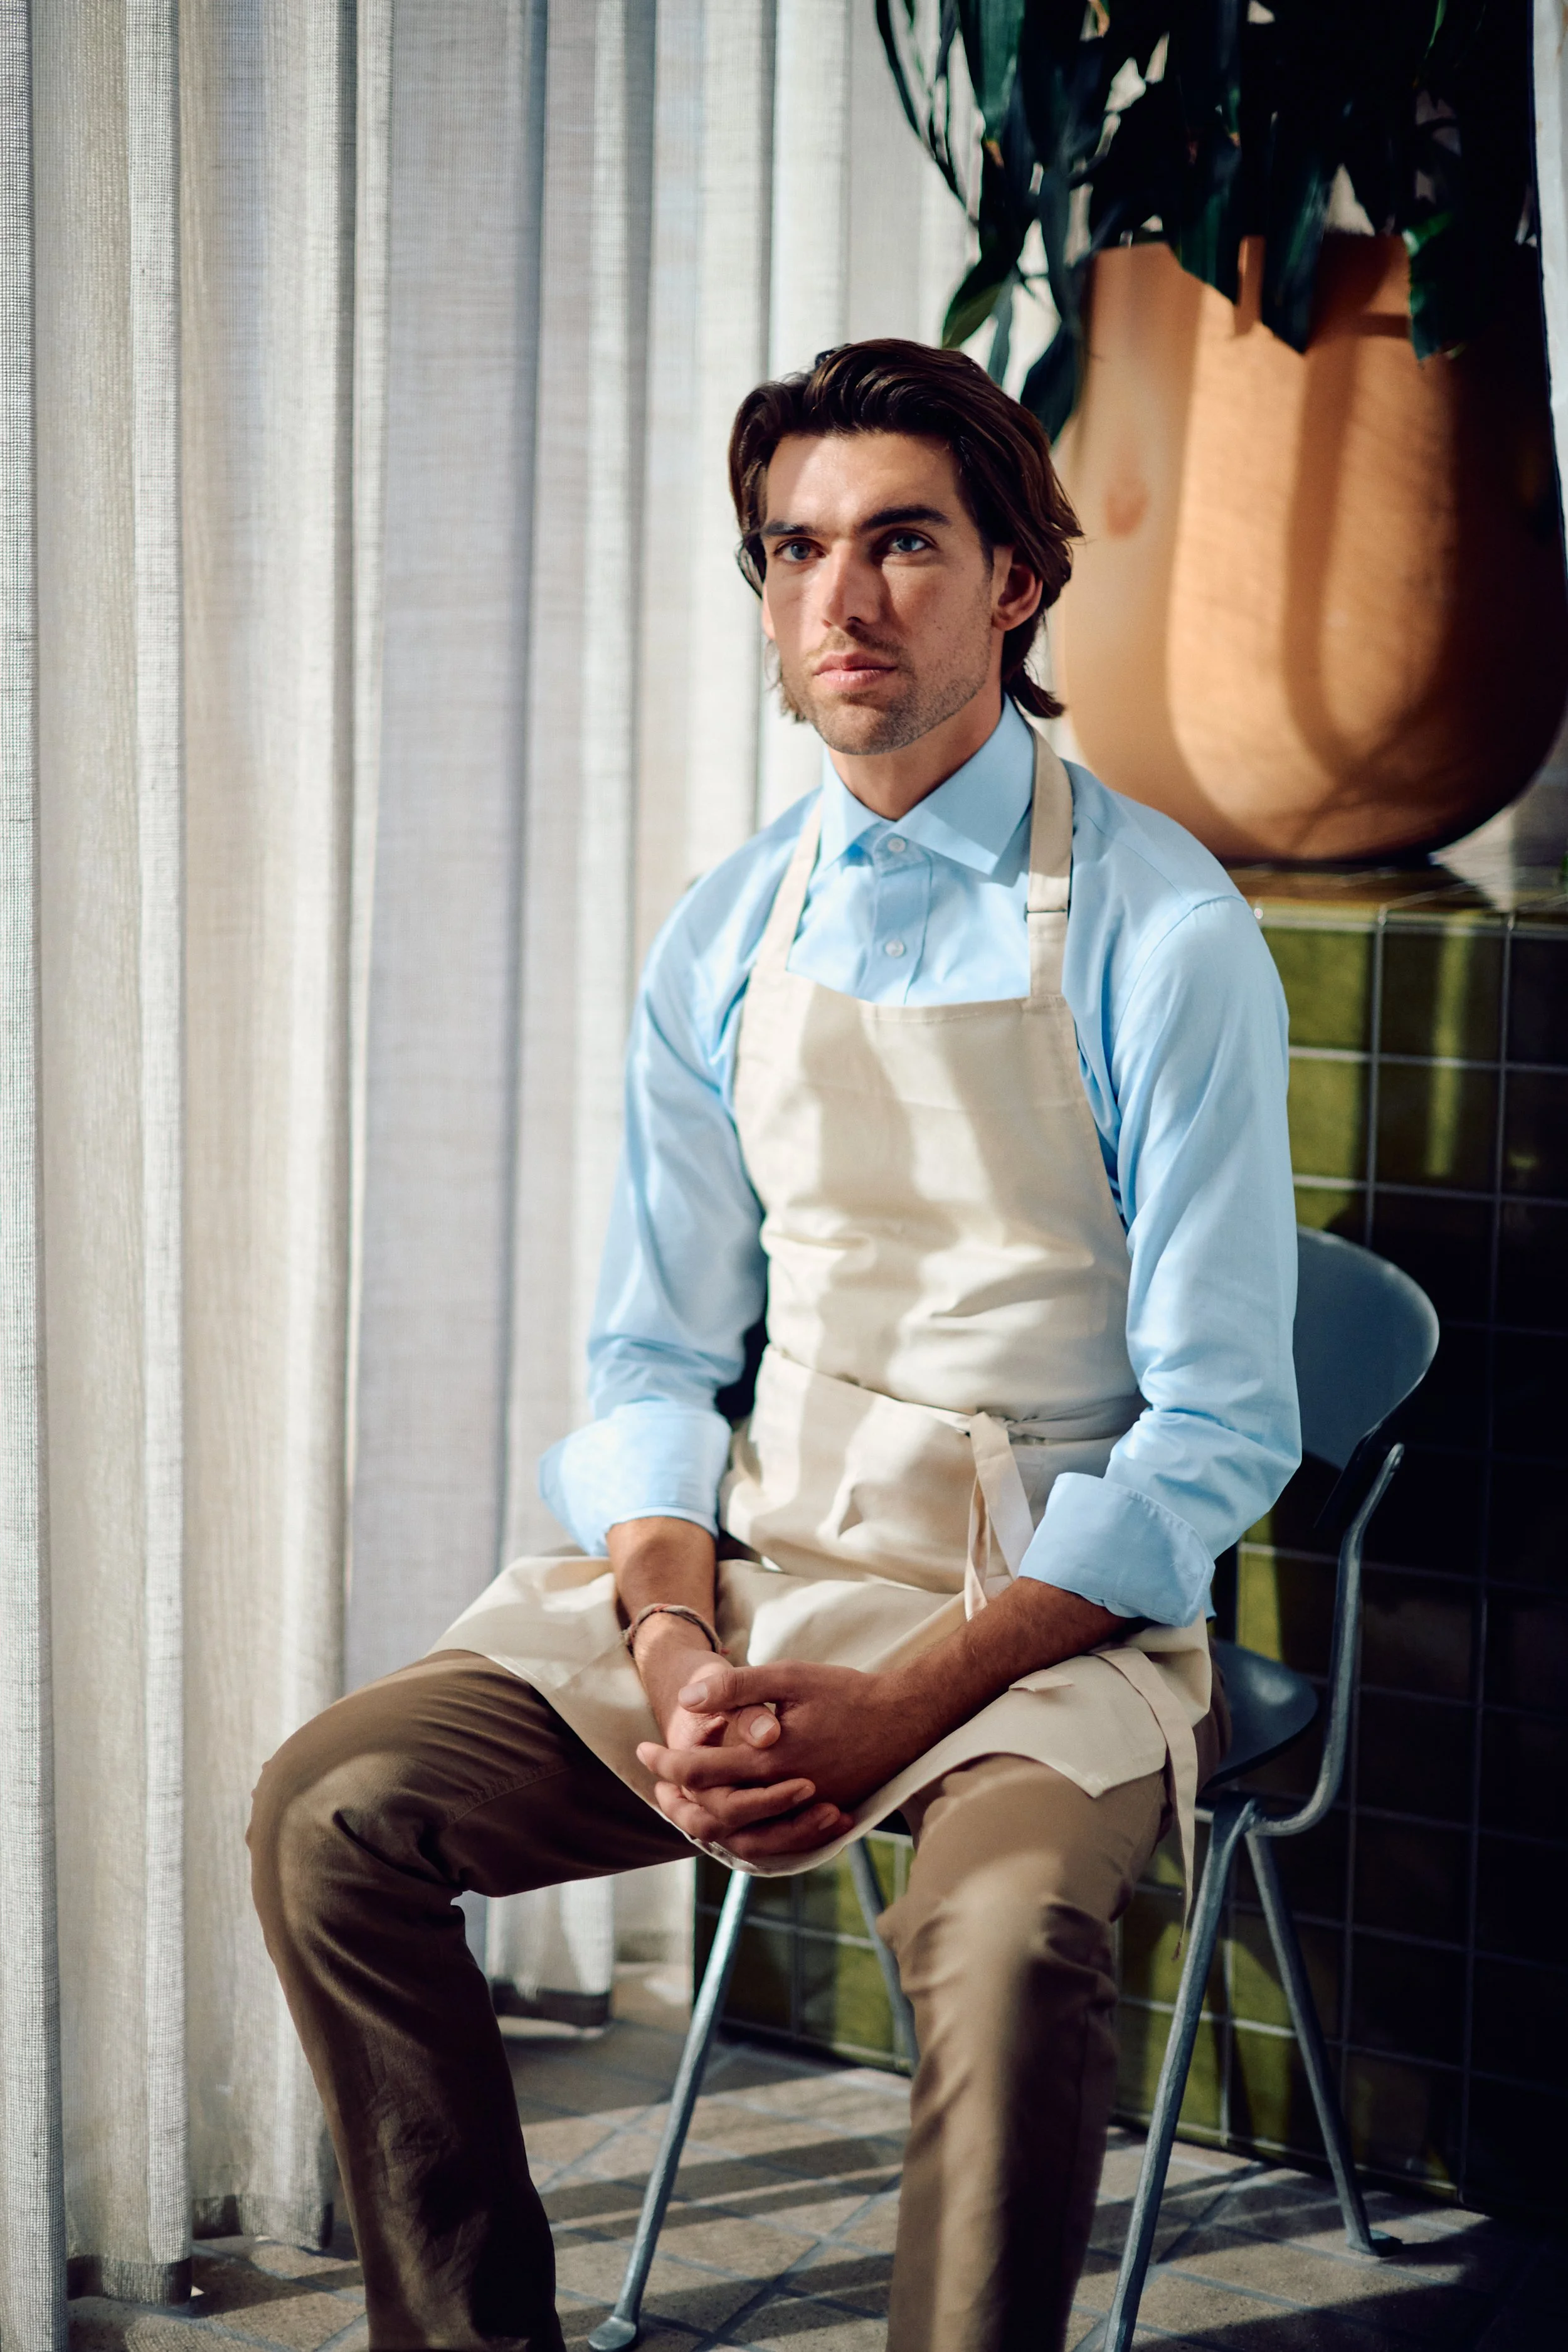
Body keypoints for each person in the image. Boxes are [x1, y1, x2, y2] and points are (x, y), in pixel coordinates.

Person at [250, 339, 1300, 2352]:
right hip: (754, 1575)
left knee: (998, 1942)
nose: (841, 597)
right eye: (794, 549)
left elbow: (1221, 1419)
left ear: (1013, 576)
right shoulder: (725, 933)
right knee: (333, 1808)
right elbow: (651, 1357)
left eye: (902, 540)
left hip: (1037, 1623)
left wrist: (905, 1700)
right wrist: (670, 1640)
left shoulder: (1164, 935)